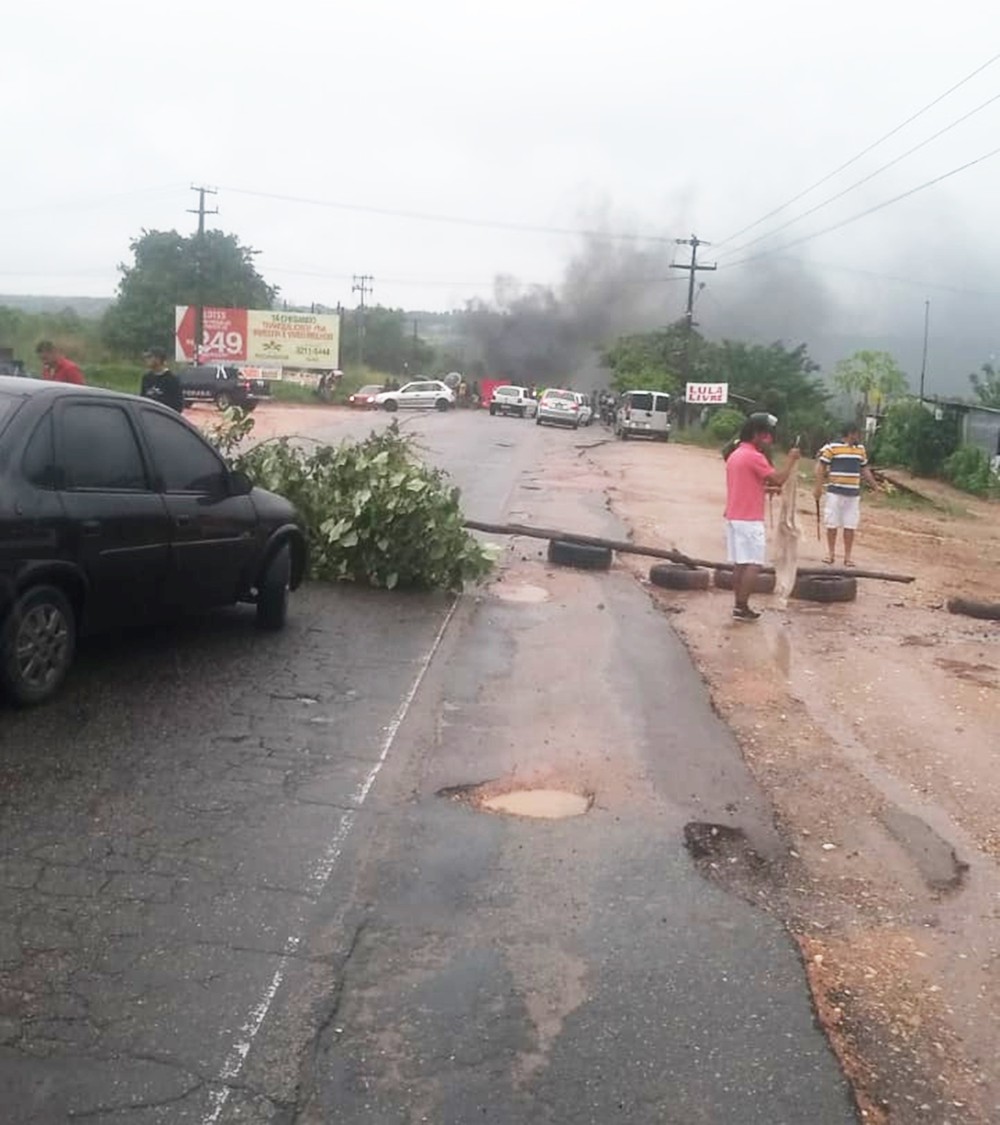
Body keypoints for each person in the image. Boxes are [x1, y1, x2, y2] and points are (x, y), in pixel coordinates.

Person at [724, 414, 801, 621]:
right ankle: (742, 606)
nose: (767, 438)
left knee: (740, 563)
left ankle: (738, 605)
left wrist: (765, 488)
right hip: (748, 518)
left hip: (733, 515)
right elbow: (779, 478)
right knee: (753, 564)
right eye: (765, 434)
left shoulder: (736, 454)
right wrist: (791, 459)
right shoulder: (754, 456)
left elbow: (747, 483)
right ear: (757, 434)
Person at [814, 422, 880, 567]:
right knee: (832, 523)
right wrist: (818, 487)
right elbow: (822, 466)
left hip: (853, 494)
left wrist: (875, 485)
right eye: (856, 433)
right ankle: (830, 554)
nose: (858, 436)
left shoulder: (860, 450)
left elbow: (864, 469)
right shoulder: (833, 448)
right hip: (835, 492)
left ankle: (847, 557)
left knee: (850, 525)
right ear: (850, 433)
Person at [140, 347, 184, 413]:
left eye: (149, 357)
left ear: (158, 359)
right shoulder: (146, 378)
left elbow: (178, 406)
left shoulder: (172, 379)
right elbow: (142, 399)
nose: (146, 360)